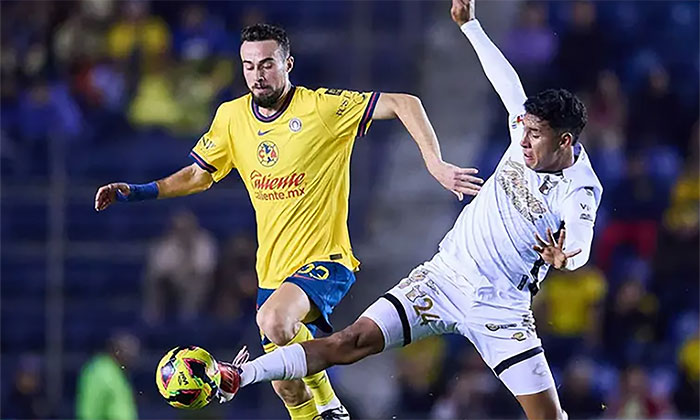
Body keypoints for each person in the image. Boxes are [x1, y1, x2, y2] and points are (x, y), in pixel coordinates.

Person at [217, 2, 603, 420]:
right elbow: (504, 78)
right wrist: (470, 25)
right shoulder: (525, 129)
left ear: (564, 142)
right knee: (351, 341)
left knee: (549, 418)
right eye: (522, 130)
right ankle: (240, 375)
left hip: (500, 307)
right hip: (442, 279)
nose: (523, 141)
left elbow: (580, 240)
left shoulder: (580, 188)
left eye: (535, 136)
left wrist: (568, 259)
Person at [94, 23, 480, 420]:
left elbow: (405, 102)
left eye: (266, 64)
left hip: (327, 261)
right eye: (248, 66)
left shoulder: (321, 108)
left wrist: (434, 163)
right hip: (272, 275)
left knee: (274, 320)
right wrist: (139, 190)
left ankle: (331, 404)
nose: (257, 75)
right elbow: (197, 175)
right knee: (289, 390)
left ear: (287, 64)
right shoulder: (231, 117)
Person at [75, 333, 140, 420]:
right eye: (127, 350)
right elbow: (89, 412)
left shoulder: (117, 371)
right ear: (116, 349)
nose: (131, 355)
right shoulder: (99, 371)